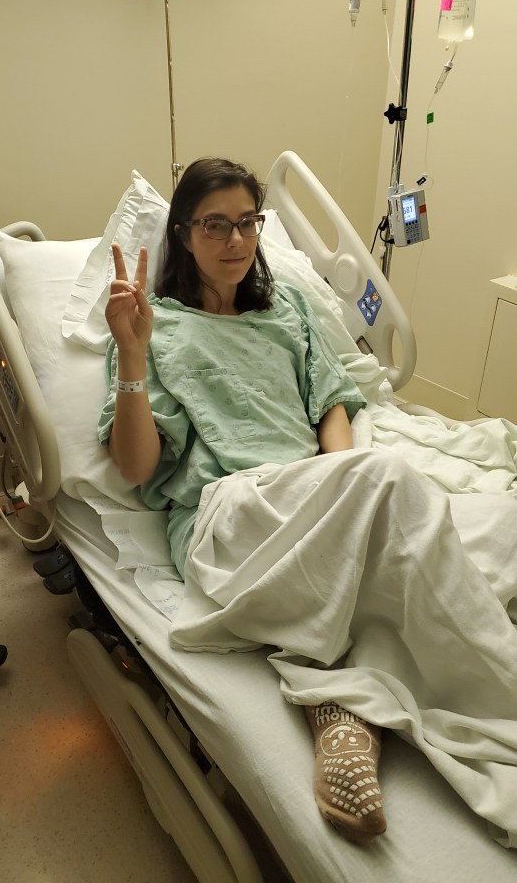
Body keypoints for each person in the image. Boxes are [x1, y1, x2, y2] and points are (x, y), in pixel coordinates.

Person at [99, 158, 517, 849]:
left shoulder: (286, 309)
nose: (235, 240)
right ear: (183, 232)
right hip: (228, 514)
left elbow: (332, 405)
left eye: (247, 223)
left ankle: (346, 703)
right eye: (214, 225)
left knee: (499, 521)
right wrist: (133, 356)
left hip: (309, 493)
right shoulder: (152, 326)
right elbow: (137, 465)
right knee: (388, 490)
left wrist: (344, 490)